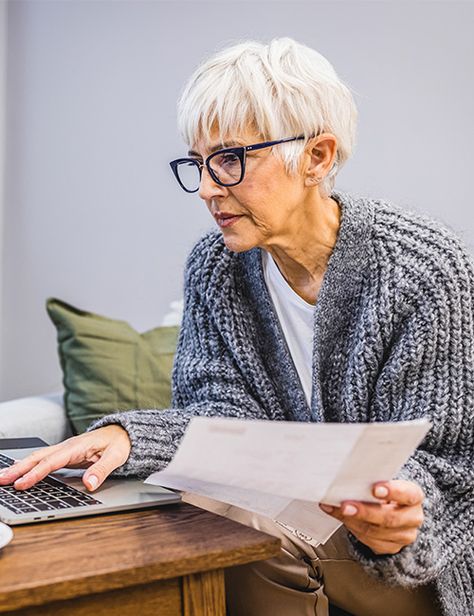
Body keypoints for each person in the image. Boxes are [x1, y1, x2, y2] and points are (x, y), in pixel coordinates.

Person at [0, 38, 472, 616]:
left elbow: (446, 458)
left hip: (424, 561)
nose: (205, 189)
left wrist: (398, 512)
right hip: (293, 523)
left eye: (230, 160)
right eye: (197, 163)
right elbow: (224, 422)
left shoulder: (422, 270)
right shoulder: (217, 264)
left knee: (242, 529)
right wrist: (131, 438)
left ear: (317, 158)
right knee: (194, 514)